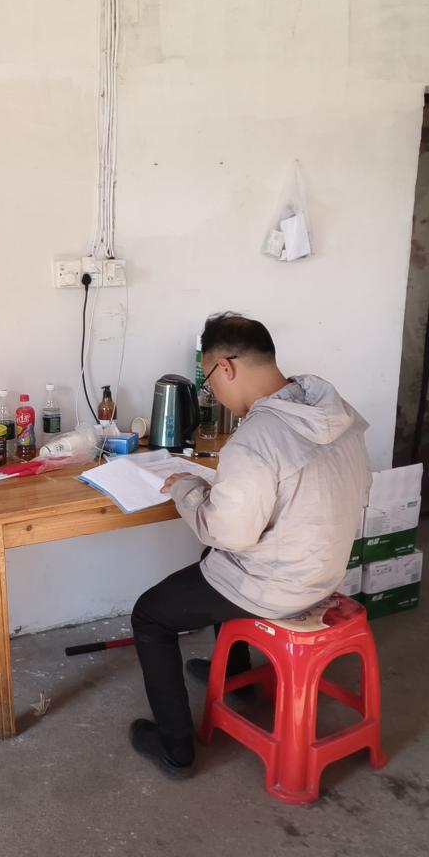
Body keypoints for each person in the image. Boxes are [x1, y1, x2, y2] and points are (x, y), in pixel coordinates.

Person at [128, 314, 371, 778]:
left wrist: (187, 489)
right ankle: (236, 678)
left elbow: (227, 533)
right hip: (325, 569)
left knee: (150, 615)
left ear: (226, 367)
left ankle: (174, 746)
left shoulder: (256, 438)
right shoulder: (332, 410)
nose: (214, 393)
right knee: (212, 563)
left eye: (209, 381)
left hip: (278, 584)